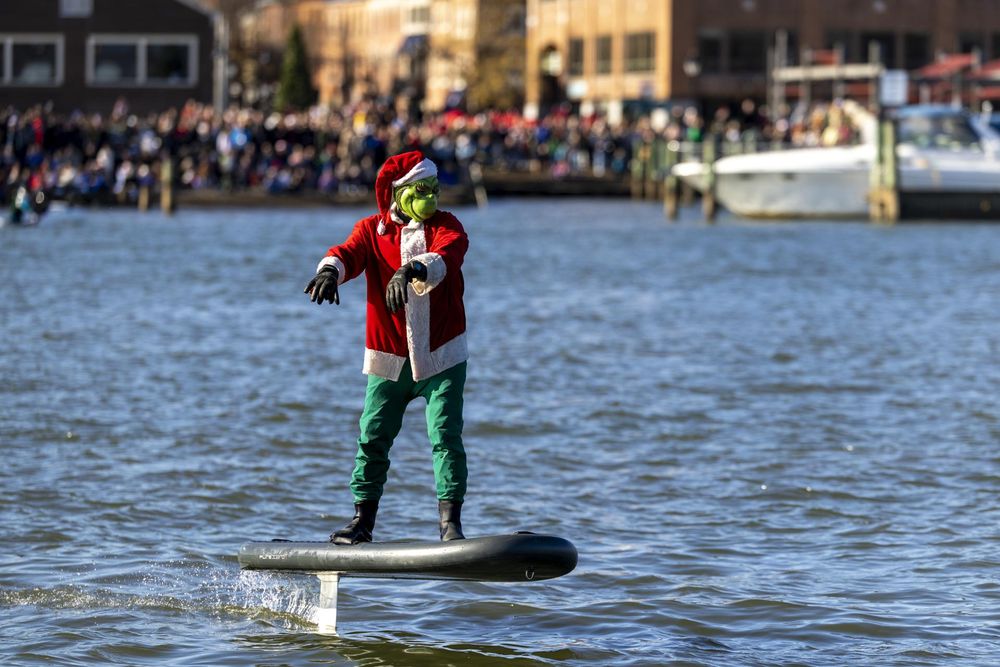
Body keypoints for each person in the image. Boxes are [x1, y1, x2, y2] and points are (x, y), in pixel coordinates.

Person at [305, 150, 470, 545]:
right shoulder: (372, 231)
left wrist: (413, 268)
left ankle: (450, 526)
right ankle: (362, 521)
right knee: (372, 436)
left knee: (445, 437)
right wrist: (330, 269)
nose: (430, 197)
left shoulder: (448, 226)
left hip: (442, 355)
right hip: (389, 357)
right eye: (421, 189)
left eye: (434, 188)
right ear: (398, 193)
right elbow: (348, 253)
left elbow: (449, 253)